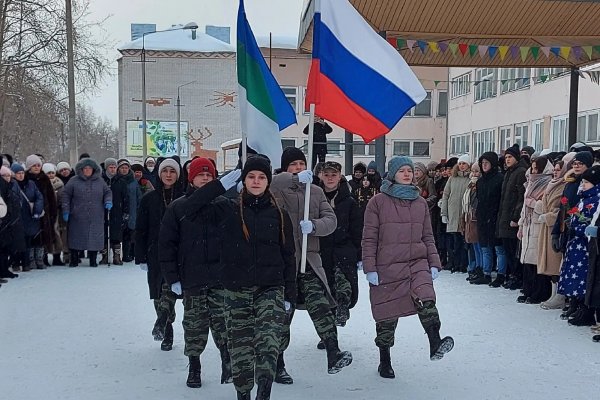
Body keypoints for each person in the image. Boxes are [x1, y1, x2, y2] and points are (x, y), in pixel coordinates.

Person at [184, 156, 296, 400]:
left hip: (270, 288)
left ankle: (264, 393)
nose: (256, 181)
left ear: (268, 181)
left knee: (268, 344)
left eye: (262, 177)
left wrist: (290, 294)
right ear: (243, 180)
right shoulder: (227, 209)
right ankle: (243, 394)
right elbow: (189, 209)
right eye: (251, 176)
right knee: (241, 349)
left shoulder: (279, 213)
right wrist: (219, 186)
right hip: (236, 291)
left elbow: (289, 255)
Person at [362, 156, 454, 379]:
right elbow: (369, 238)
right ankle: (385, 358)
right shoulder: (378, 202)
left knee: (426, 297)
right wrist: (370, 268)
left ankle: (435, 341)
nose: (407, 174)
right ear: (392, 174)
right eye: (402, 170)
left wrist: (434, 262)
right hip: (388, 265)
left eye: (409, 170)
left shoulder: (420, 202)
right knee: (387, 315)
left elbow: (427, 235)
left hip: (416, 262)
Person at [270, 146, 352, 384]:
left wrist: (314, 225)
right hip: (284, 264)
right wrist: (294, 179)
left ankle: (333, 351)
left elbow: (331, 220)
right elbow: (273, 182)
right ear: (286, 168)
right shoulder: (277, 187)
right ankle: (278, 363)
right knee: (283, 315)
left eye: (301, 164)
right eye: (293, 165)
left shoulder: (315, 192)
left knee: (321, 307)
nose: (298, 168)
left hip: (310, 261)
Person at [159, 157, 239, 389]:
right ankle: (194, 365)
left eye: (209, 175)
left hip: (220, 277)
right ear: (191, 178)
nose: (205, 178)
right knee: (194, 325)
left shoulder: (224, 204)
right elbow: (167, 245)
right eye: (200, 174)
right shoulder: (179, 206)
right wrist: (172, 277)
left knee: (223, 322)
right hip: (192, 277)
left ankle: (227, 361)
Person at [135, 158, 183, 351]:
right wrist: (140, 256)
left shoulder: (184, 197)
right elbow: (141, 229)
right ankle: (167, 327)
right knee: (158, 291)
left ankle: (163, 319)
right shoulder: (149, 199)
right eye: (165, 171)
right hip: (154, 251)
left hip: (178, 252)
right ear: (160, 173)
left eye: (172, 171)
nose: (169, 175)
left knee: (169, 287)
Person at [318, 161, 362, 329]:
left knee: (343, 281)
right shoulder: (314, 197)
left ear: (340, 176)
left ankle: (343, 306)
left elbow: (357, 229)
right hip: (322, 249)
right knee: (325, 289)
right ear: (321, 175)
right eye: (327, 174)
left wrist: (359, 254)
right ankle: (329, 331)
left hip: (344, 248)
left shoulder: (349, 201)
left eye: (334, 175)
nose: (330, 178)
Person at [557, 165, 600, 327]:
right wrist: (572, 220)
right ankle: (577, 306)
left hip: (586, 246)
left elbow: (591, 222)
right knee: (575, 274)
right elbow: (579, 216)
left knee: (583, 277)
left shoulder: (595, 200)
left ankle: (585, 308)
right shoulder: (584, 199)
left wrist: (579, 228)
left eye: (587, 182)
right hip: (576, 244)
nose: (583, 185)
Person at [62, 158, 112, 267]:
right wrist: (66, 210)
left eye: (90, 168)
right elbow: (66, 195)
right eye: (85, 168)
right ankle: (74, 259)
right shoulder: (73, 181)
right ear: (81, 169)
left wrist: (108, 201)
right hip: (77, 215)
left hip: (96, 215)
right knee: (75, 237)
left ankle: (93, 260)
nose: (87, 170)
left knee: (94, 237)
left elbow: (107, 192)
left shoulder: (100, 181)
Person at [516, 157, 553, 304]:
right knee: (527, 261)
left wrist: (533, 203)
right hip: (528, 224)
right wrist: (520, 224)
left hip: (538, 225)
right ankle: (528, 289)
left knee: (537, 261)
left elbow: (545, 206)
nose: (534, 171)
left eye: (537, 168)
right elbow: (524, 208)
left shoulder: (547, 183)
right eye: (533, 168)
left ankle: (539, 292)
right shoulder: (530, 182)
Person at [538, 155, 572, 310]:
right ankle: (554, 293)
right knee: (550, 265)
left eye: (559, 170)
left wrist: (548, 216)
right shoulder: (551, 184)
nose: (555, 173)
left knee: (556, 263)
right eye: (554, 170)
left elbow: (561, 209)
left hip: (555, 227)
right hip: (547, 229)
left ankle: (560, 295)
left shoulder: (564, 186)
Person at [471, 152, 507, 286]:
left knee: (499, 248)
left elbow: (501, 200)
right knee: (485, 247)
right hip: (482, 217)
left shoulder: (500, 178)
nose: (484, 165)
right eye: (482, 163)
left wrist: (496, 216)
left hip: (495, 217)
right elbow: (480, 200)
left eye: (486, 162)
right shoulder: (480, 181)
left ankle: (501, 274)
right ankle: (486, 273)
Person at [497, 144, 528, 290]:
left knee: (514, 250)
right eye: (506, 157)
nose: (507, 160)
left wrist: (516, 217)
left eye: (510, 157)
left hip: (512, 219)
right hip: (505, 217)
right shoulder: (509, 172)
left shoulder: (520, 172)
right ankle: (512, 275)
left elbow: (521, 198)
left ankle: (517, 276)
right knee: (508, 249)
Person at [25, 154, 57, 269]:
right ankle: (30, 259)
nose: (37, 167)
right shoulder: (25, 178)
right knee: (31, 236)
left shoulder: (45, 179)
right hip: (29, 212)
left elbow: (51, 196)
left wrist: (53, 212)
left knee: (42, 235)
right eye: (34, 165)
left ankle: (41, 259)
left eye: (39, 165)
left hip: (45, 212)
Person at [10, 163, 44, 271]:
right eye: (18, 173)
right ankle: (16, 262)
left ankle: (26, 263)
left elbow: (39, 197)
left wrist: (37, 211)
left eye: (22, 173)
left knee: (27, 241)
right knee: (16, 241)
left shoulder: (31, 184)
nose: (20, 175)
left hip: (29, 216)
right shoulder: (11, 185)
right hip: (16, 217)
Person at [441, 154, 471, 273]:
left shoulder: (470, 179)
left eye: (464, 163)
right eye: (460, 164)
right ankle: (455, 263)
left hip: (464, 214)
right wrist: (444, 213)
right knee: (454, 241)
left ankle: (463, 264)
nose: (462, 166)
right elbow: (446, 195)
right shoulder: (452, 178)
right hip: (453, 214)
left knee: (464, 241)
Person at [101, 158, 129, 265]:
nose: (113, 170)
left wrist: (126, 212)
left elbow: (126, 198)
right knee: (104, 233)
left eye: (114, 167)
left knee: (116, 234)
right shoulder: (101, 181)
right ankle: (104, 256)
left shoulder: (121, 181)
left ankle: (117, 256)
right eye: (110, 167)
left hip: (117, 211)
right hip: (103, 211)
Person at [116, 159, 142, 263]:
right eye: (122, 168)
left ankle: (127, 255)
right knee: (118, 234)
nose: (124, 170)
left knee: (129, 234)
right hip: (118, 211)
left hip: (132, 212)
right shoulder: (116, 180)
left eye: (126, 168)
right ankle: (116, 255)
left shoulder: (133, 181)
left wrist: (139, 208)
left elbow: (139, 196)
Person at [43, 163, 65, 266]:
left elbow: (63, 197)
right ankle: (44, 257)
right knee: (46, 234)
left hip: (58, 212)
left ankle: (57, 256)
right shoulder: (42, 183)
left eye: (52, 172)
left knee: (58, 234)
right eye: (48, 173)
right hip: (46, 212)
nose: (51, 175)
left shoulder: (59, 184)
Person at [463, 163, 482, 282]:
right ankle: (474, 267)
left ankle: (480, 268)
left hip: (476, 217)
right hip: (469, 216)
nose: (474, 174)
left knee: (479, 246)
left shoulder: (479, 185)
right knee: (473, 245)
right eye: (473, 171)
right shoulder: (470, 184)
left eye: (477, 171)